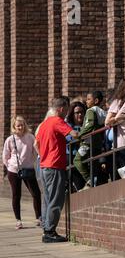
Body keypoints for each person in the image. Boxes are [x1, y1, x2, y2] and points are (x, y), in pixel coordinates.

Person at [35, 97, 79, 243]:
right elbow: (73, 134)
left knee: (47, 199)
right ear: (61, 109)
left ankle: (46, 228)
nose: (67, 112)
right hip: (55, 166)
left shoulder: (44, 124)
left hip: (44, 165)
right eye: (66, 109)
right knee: (56, 199)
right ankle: (50, 232)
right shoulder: (58, 121)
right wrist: (80, 134)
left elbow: (38, 143)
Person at [2, 116, 41, 229]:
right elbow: (5, 156)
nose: (20, 127)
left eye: (22, 125)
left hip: (28, 169)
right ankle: (18, 220)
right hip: (14, 171)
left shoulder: (30, 137)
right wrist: (10, 165)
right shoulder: (10, 139)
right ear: (14, 127)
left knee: (36, 193)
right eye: (18, 125)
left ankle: (39, 218)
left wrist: (31, 162)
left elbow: (35, 151)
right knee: (16, 195)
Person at [73, 91, 106, 189]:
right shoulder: (101, 111)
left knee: (77, 160)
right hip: (97, 142)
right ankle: (95, 180)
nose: (86, 101)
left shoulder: (90, 111)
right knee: (93, 163)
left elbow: (90, 124)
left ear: (95, 101)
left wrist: (80, 134)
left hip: (87, 142)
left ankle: (89, 180)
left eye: (88, 99)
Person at [65, 101, 86, 191]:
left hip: (85, 157)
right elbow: (70, 138)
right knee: (77, 185)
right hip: (71, 157)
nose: (80, 115)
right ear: (72, 114)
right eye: (77, 113)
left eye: (82, 112)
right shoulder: (68, 126)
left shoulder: (86, 124)